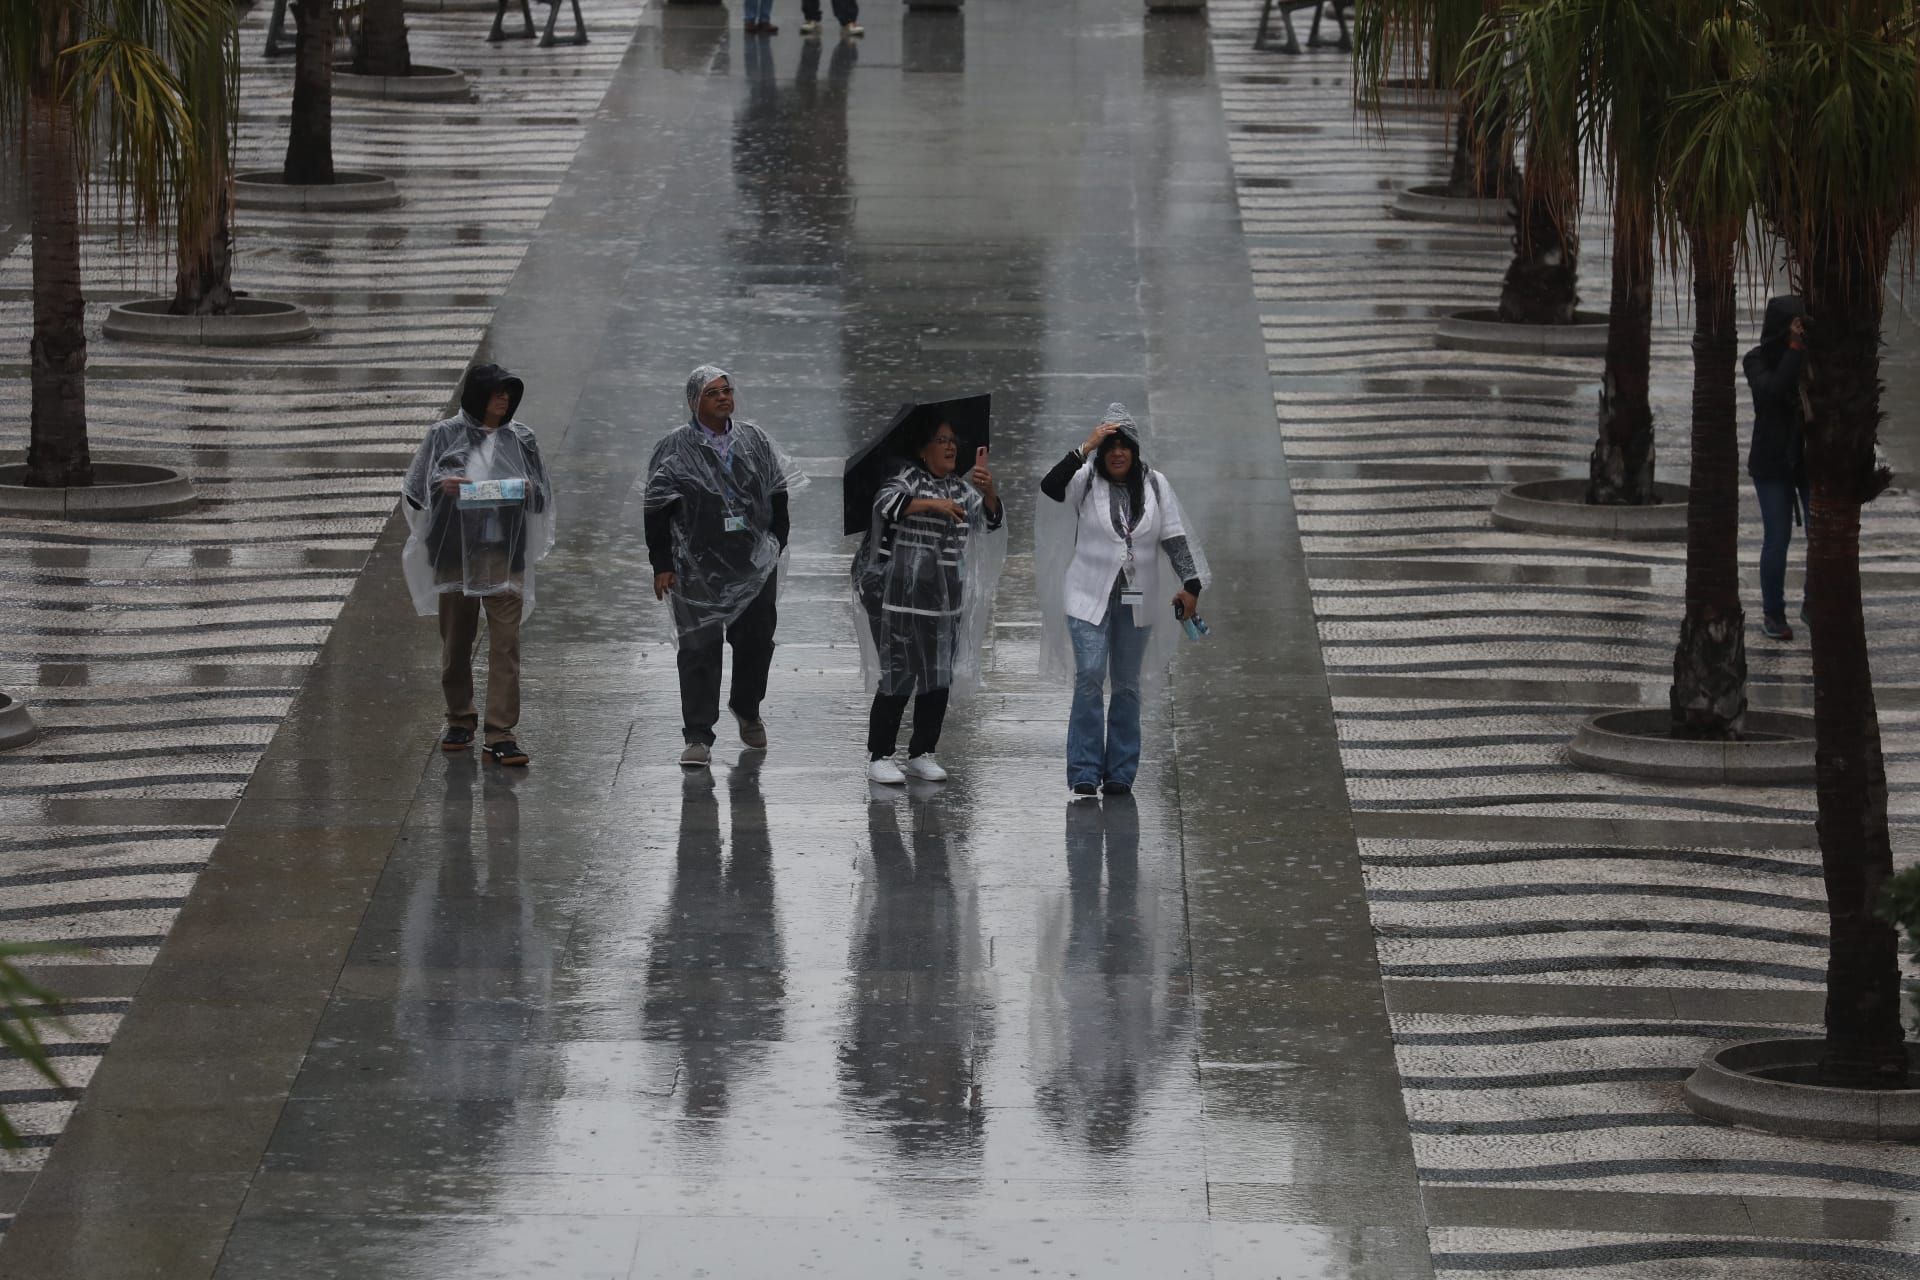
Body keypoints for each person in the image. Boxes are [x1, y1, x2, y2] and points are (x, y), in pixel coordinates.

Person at [1038, 404, 1208, 798]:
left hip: (1137, 597)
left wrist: (1191, 586)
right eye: (1109, 446)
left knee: (1128, 685)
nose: (1117, 453)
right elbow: (1050, 486)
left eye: (1124, 446)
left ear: (1134, 450)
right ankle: (1083, 769)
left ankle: (1120, 772)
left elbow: (1175, 540)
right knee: (1091, 675)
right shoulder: (1085, 479)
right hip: (1086, 595)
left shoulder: (1155, 485)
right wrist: (1086, 446)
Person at [644, 365, 803, 769]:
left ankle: (747, 707)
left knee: (756, 642)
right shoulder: (673, 448)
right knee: (698, 648)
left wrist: (775, 543)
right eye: (713, 392)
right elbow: (656, 509)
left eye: (727, 390)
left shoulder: (754, 441)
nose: (723, 398)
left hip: (752, 563)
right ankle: (698, 734)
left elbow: (778, 493)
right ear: (695, 401)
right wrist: (662, 563)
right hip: (694, 567)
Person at [400, 363, 557, 767]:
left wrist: (524, 489)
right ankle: (459, 717)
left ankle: (501, 730)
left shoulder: (522, 440)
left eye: (508, 393)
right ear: (477, 396)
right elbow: (417, 491)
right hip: (455, 554)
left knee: (506, 644)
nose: (503, 399)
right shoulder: (444, 435)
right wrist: (444, 488)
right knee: (457, 641)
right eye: (495, 392)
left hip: (505, 551)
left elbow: (541, 495)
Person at [851, 416, 1005, 785]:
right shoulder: (906, 479)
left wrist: (989, 493)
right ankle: (880, 754)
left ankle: (922, 751)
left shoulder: (961, 488)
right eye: (941, 439)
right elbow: (887, 505)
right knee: (900, 674)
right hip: (902, 599)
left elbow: (990, 521)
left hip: (945, 600)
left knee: (937, 676)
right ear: (923, 449)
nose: (950, 447)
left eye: (952, 440)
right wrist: (933, 506)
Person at [1745, 296, 1811, 641]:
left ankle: (1816, 601)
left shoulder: (1813, 357)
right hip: (1771, 461)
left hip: (1809, 459)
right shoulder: (1756, 360)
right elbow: (1771, 392)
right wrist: (1795, 350)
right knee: (1777, 538)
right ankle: (1773, 613)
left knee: (1823, 533)